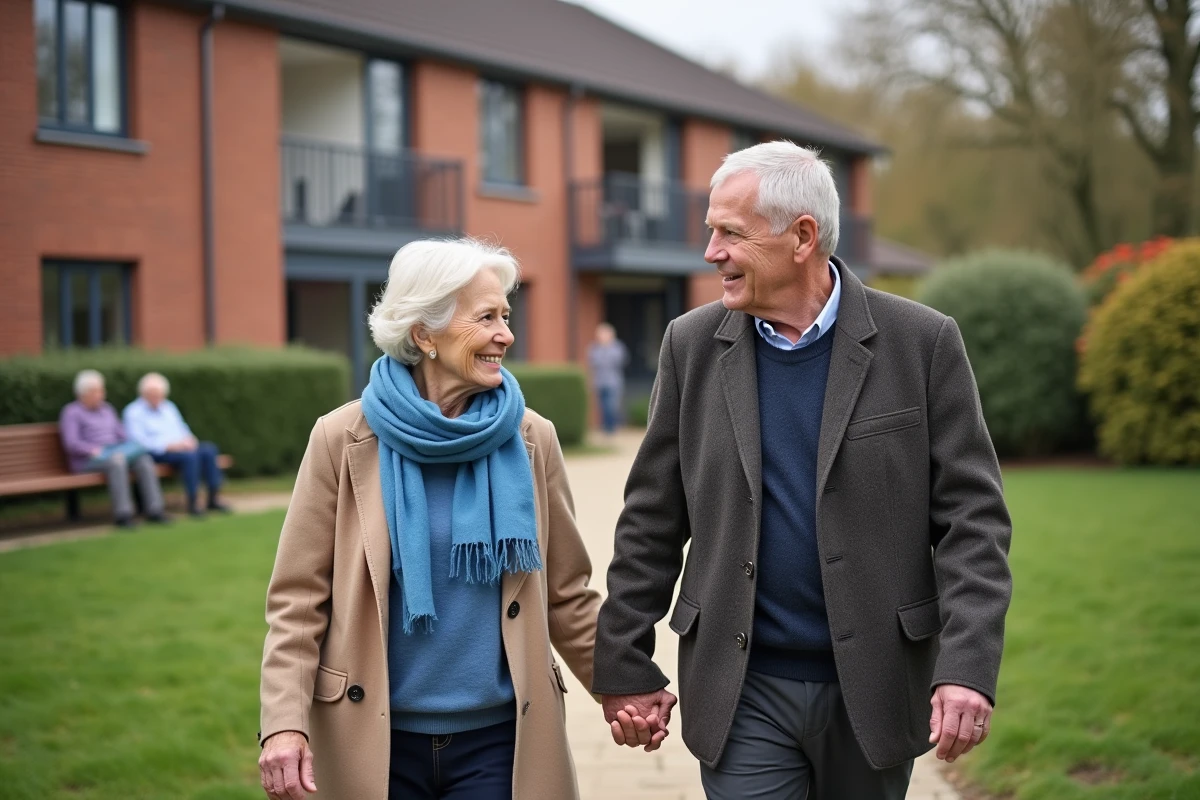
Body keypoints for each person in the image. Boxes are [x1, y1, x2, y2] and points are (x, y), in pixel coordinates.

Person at [592, 142, 1013, 799]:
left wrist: (966, 665)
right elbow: (651, 519)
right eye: (711, 230)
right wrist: (624, 662)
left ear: (802, 237)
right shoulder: (690, 346)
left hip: (875, 689)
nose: (710, 252)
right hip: (741, 690)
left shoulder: (922, 343)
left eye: (731, 233)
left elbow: (974, 522)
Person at [258, 238, 605, 800]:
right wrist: (283, 722)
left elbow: (567, 593)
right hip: (372, 741)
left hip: (500, 742)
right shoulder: (341, 438)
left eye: (506, 316)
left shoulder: (531, 438)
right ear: (424, 334)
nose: (506, 335)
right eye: (486, 317)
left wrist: (624, 687)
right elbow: (298, 601)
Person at [59, 369, 169, 528]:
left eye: (101, 390)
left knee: (144, 460)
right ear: (84, 393)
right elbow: (71, 443)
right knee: (117, 461)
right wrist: (92, 450)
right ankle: (123, 514)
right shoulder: (71, 413)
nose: (101, 394)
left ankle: (155, 510)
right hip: (87, 460)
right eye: (96, 391)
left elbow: (121, 434)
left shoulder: (107, 409)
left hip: (114, 452)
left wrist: (130, 446)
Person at [123, 372, 230, 517]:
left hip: (179, 448)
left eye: (159, 394)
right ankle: (192, 502)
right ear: (144, 394)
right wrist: (168, 446)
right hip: (156, 452)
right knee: (189, 457)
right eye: (152, 394)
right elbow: (138, 442)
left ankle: (213, 498)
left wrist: (190, 440)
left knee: (209, 450)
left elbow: (182, 428)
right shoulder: (133, 412)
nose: (156, 398)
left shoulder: (168, 407)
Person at [587, 322, 629, 437]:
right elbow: (592, 363)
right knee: (602, 406)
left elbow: (620, 361)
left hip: (613, 381)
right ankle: (606, 428)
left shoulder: (617, 347)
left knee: (612, 405)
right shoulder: (594, 348)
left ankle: (612, 428)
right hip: (599, 382)